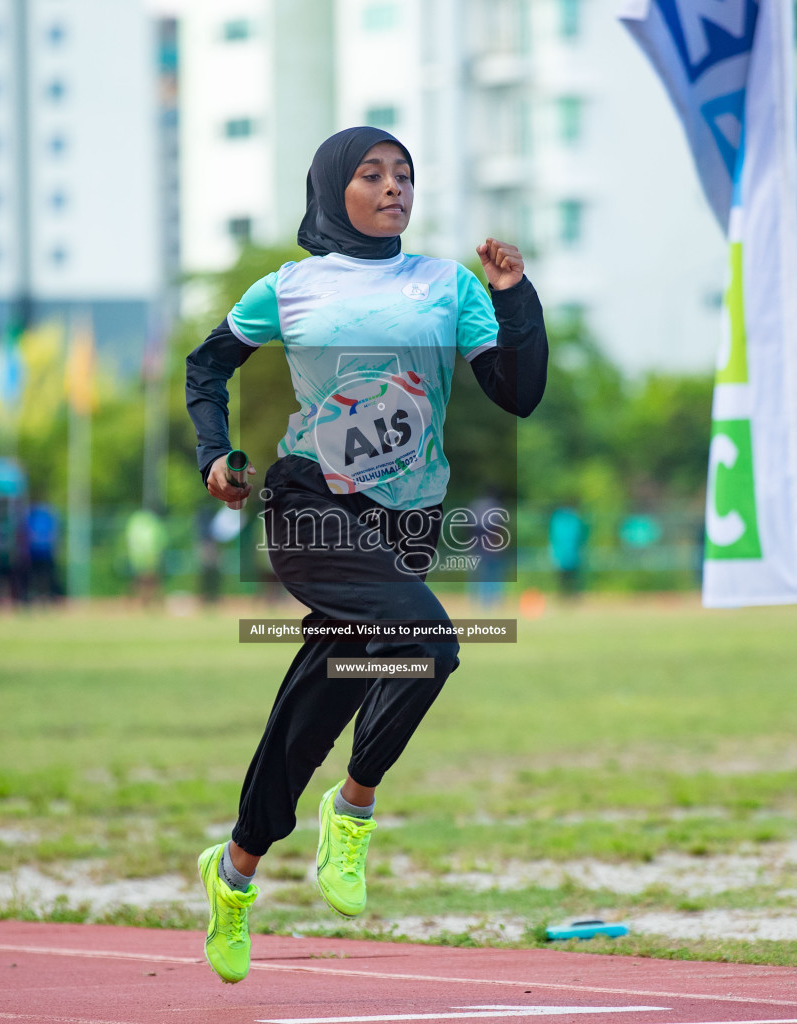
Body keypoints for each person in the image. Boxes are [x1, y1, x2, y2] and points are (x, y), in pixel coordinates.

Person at [184, 126, 547, 983]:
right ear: (331, 188)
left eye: (405, 175)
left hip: (407, 521)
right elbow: (208, 367)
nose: (394, 188)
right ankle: (353, 811)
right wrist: (214, 452)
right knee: (433, 646)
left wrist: (514, 295)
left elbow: (519, 393)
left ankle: (233, 871)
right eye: (373, 174)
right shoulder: (291, 288)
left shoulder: (448, 286)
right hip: (312, 504)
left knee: (317, 701)